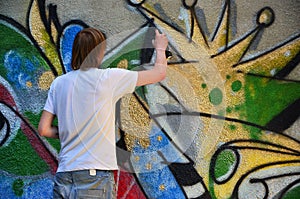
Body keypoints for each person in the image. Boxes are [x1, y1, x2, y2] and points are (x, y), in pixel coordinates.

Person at [38, 27, 168, 199]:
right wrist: (160, 48)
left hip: (64, 175)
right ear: (99, 51)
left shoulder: (59, 84)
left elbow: (44, 129)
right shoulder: (109, 78)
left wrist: (68, 132)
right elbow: (159, 73)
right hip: (94, 177)